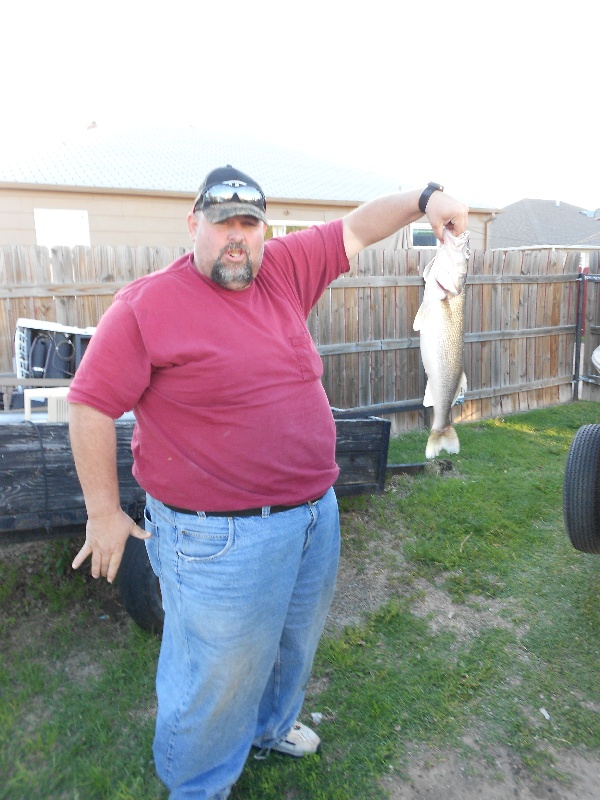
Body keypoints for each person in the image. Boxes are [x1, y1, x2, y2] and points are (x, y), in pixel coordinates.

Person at [68, 165, 468, 800]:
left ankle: (270, 728)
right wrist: (103, 511)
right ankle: (198, 783)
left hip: (313, 516)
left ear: (263, 230)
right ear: (192, 225)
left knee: (290, 644)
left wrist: (425, 198)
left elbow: (359, 227)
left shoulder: (281, 268)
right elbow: (89, 403)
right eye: (222, 222)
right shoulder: (146, 306)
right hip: (216, 541)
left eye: (249, 224)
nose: (236, 237)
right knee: (215, 673)